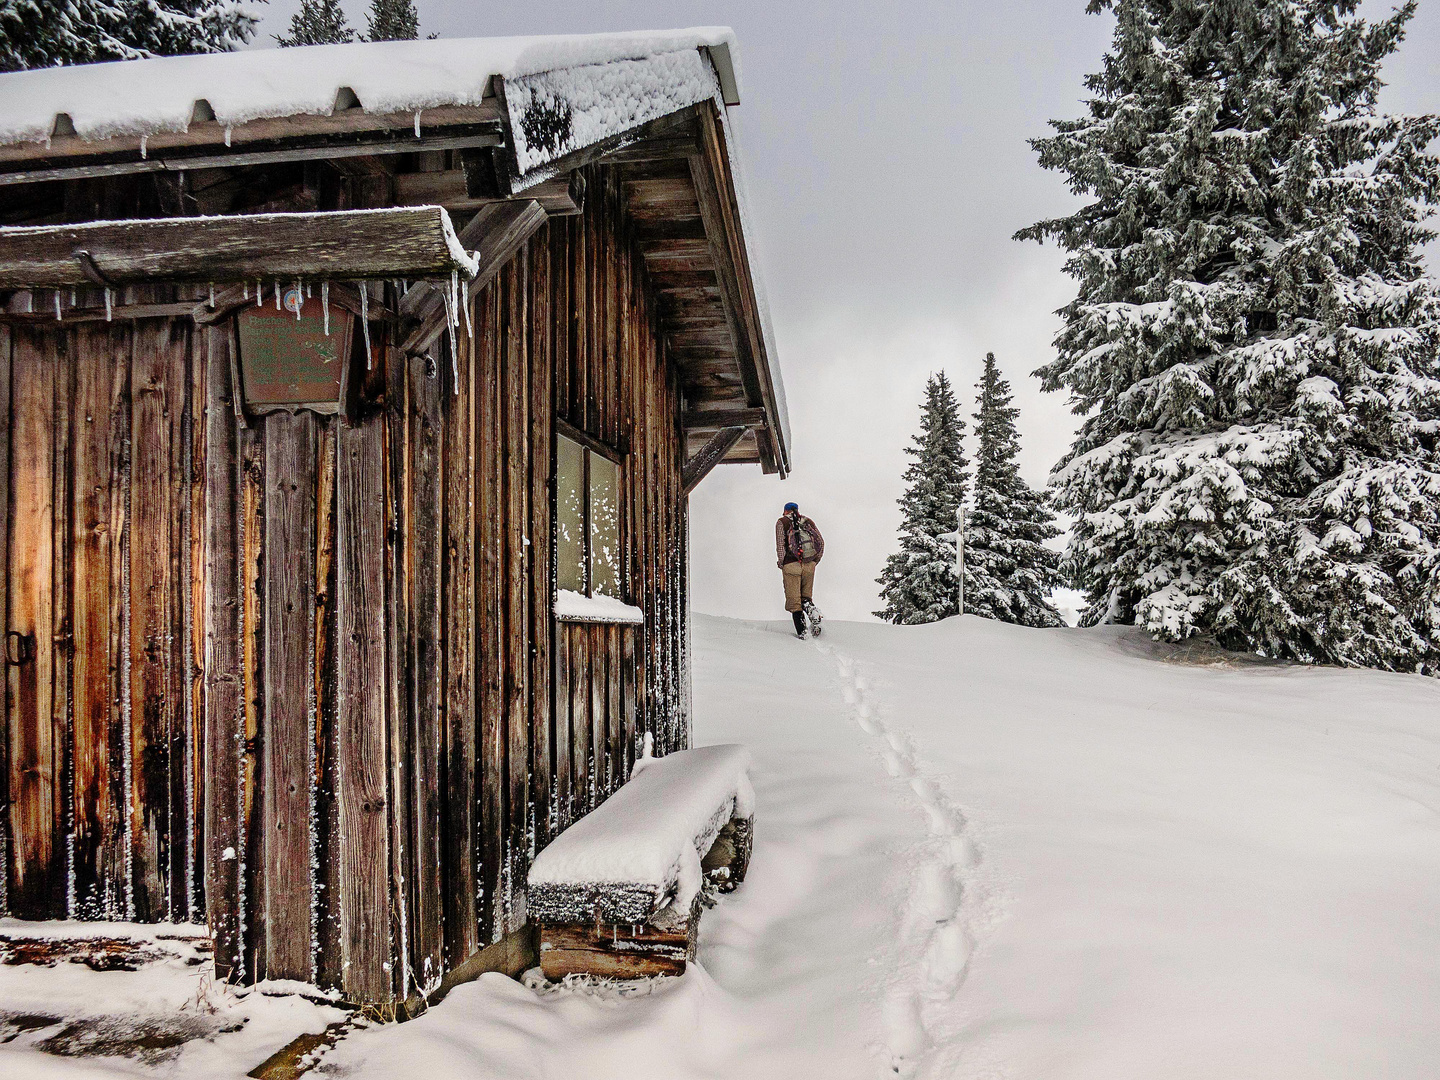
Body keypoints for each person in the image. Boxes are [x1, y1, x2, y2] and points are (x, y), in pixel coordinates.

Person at [775, 502, 824, 638]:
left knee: (795, 603)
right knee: (806, 598)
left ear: (785, 511)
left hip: (791, 566)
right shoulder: (807, 521)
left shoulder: (782, 522)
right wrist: (814, 561)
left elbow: (780, 547)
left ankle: (803, 635)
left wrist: (782, 563)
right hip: (809, 565)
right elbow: (821, 542)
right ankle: (814, 614)